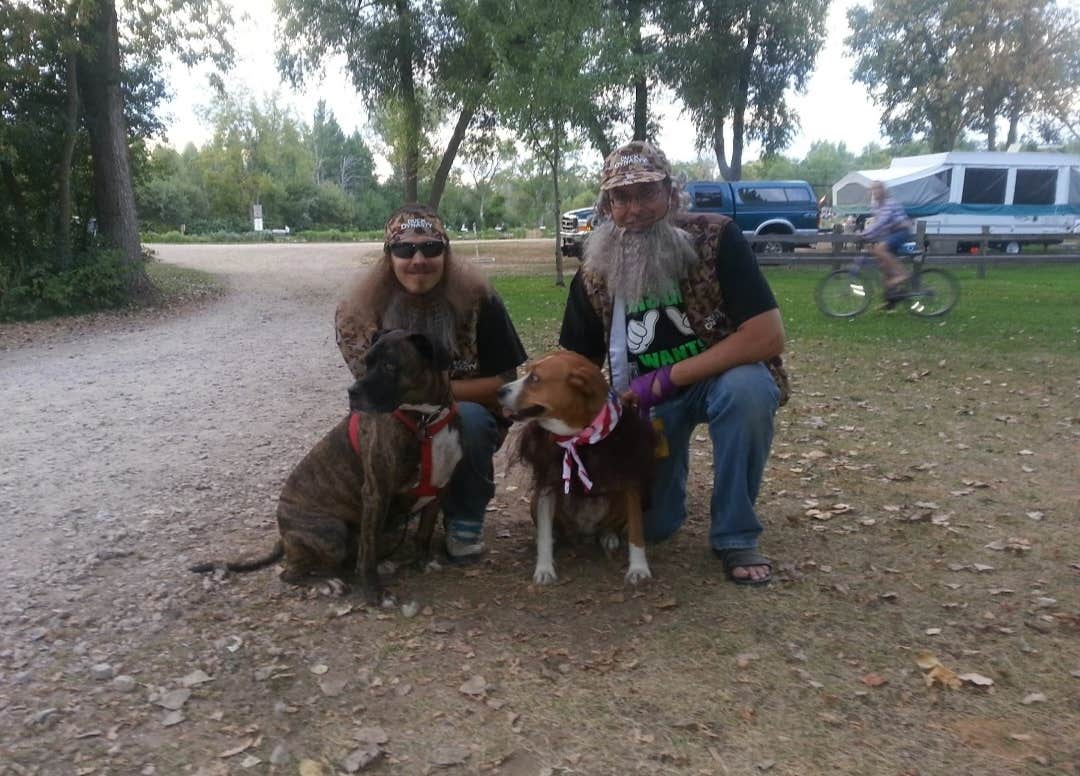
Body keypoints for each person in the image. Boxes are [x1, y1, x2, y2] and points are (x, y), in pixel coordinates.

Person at [558, 141, 790, 586]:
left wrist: (668, 376)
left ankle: (735, 533)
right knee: (656, 525)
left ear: (671, 193)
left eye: (647, 193)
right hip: (646, 405)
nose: (635, 209)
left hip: (718, 381)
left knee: (749, 391)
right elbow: (575, 360)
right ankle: (666, 500)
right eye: (620, 197)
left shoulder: (716, 238)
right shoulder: (594, 268)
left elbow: (766, 336)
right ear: (607, 205)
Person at [335, 204, 527, 561]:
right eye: (405, 249)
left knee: (464, 419)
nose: (418, 259)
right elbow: (372, 389)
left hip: (468, 412)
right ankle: (387, 514)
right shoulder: (356, 312)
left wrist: (434, 397)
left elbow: (503, 382)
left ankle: (465, 517)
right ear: (388, 256)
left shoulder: (481, 300)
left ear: (446, 253)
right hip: (395, 413)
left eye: (431, 248)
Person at [862, 181, 913, 292]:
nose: (874, 192)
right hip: (891, 234)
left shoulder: (890, 203)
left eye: (877, 189)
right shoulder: (875, 206)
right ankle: (891, 300)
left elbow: (881, 222)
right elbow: (879, 226)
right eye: (872, 189)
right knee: (884, 267)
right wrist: (869, 236)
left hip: (902, 231)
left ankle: (904, 275)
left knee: (880, 249)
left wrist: (864, 233)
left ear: (883, 190)